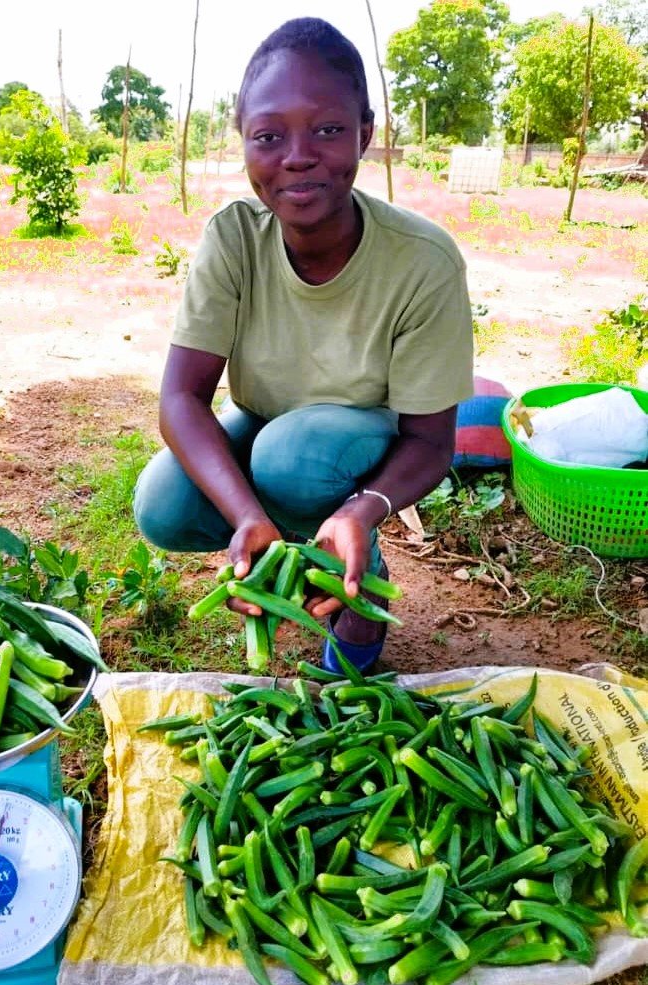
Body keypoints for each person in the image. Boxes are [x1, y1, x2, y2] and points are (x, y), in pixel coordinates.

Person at [134, 17, 474, 672]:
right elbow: (180, 397)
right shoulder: (234, 238)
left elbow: (432, 441)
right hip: (265, 421)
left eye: (326, 129)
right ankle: (293, 541)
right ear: (244, 143)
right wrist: (242, 518)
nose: (297, 155)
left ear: (364, 135)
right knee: (162, 503)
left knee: (291, 458)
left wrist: (366, 506)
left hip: (357, 439)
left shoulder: (423, 261)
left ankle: (355, 572)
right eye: (269, 136)